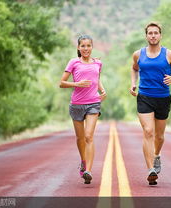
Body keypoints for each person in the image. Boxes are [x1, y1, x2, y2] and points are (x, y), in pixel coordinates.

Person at [130, 22, 171, 185]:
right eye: (150, 33)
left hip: (163, 98)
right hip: (144, 96)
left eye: (156, 33)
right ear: (146, 36)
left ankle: (157, 155)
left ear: (160, 35)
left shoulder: (169, 55)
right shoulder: (138, 54)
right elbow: (134, 69)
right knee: (148, 131)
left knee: (159, 136)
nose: (153, 35)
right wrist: (133, 83)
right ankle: (151, 169)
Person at [60, 35, 106, 184]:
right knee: (80, 138)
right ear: (79, 48)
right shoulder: (74, 62)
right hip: (77, 104)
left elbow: (96, 79)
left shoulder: (98, 63)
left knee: (88, 136)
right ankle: (83, 161)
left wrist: (102, 91)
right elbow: (62, 83)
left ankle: (88, 171)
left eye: (88, 46)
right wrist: (77, 84)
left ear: (92, 47)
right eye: (83, 46)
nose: (86, 48)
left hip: (93, 103)